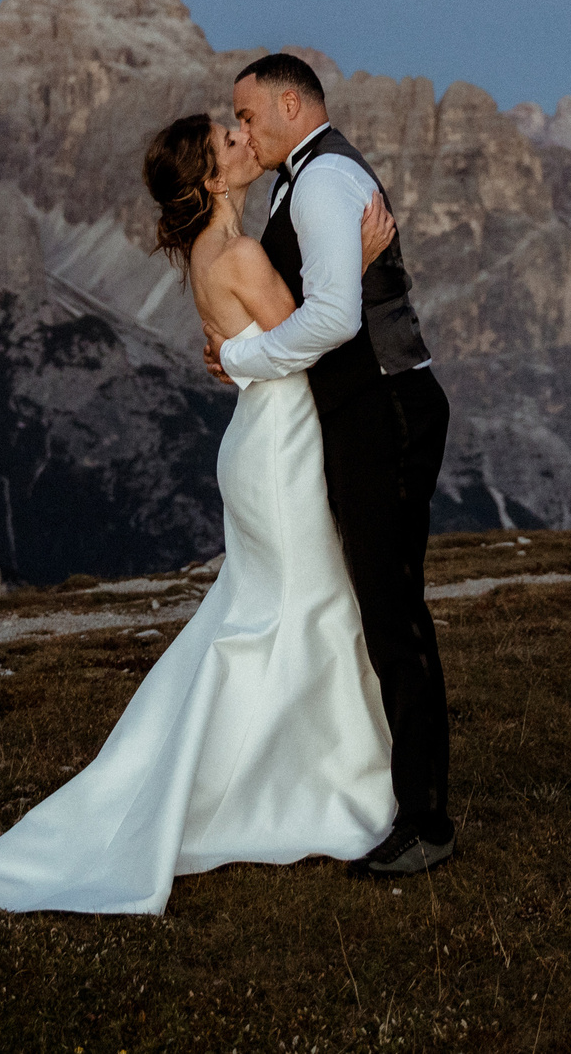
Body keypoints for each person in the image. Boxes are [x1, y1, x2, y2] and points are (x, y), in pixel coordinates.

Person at [0, 110, 399, 914]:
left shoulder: (218, 250)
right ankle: (319, 791)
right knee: (309, 608)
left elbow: (265, 341)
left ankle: (289, 777)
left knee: (273, 614)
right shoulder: (236, 251)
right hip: (280, 450)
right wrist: (361, 258)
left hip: (259, 443)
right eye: (228, 139)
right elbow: (316, 338)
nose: (244, 137)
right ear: (210, 178)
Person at [216, 52, 454, 878]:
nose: (241, 129)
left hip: (383, 406)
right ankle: (395, 796)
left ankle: (425, 820)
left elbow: (329, 318)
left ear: (290, 104)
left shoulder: (320, 182)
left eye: (247, 115)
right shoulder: (305, 176)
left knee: (392, 608)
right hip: (367, 408)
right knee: (380, 603)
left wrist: (247, 359)